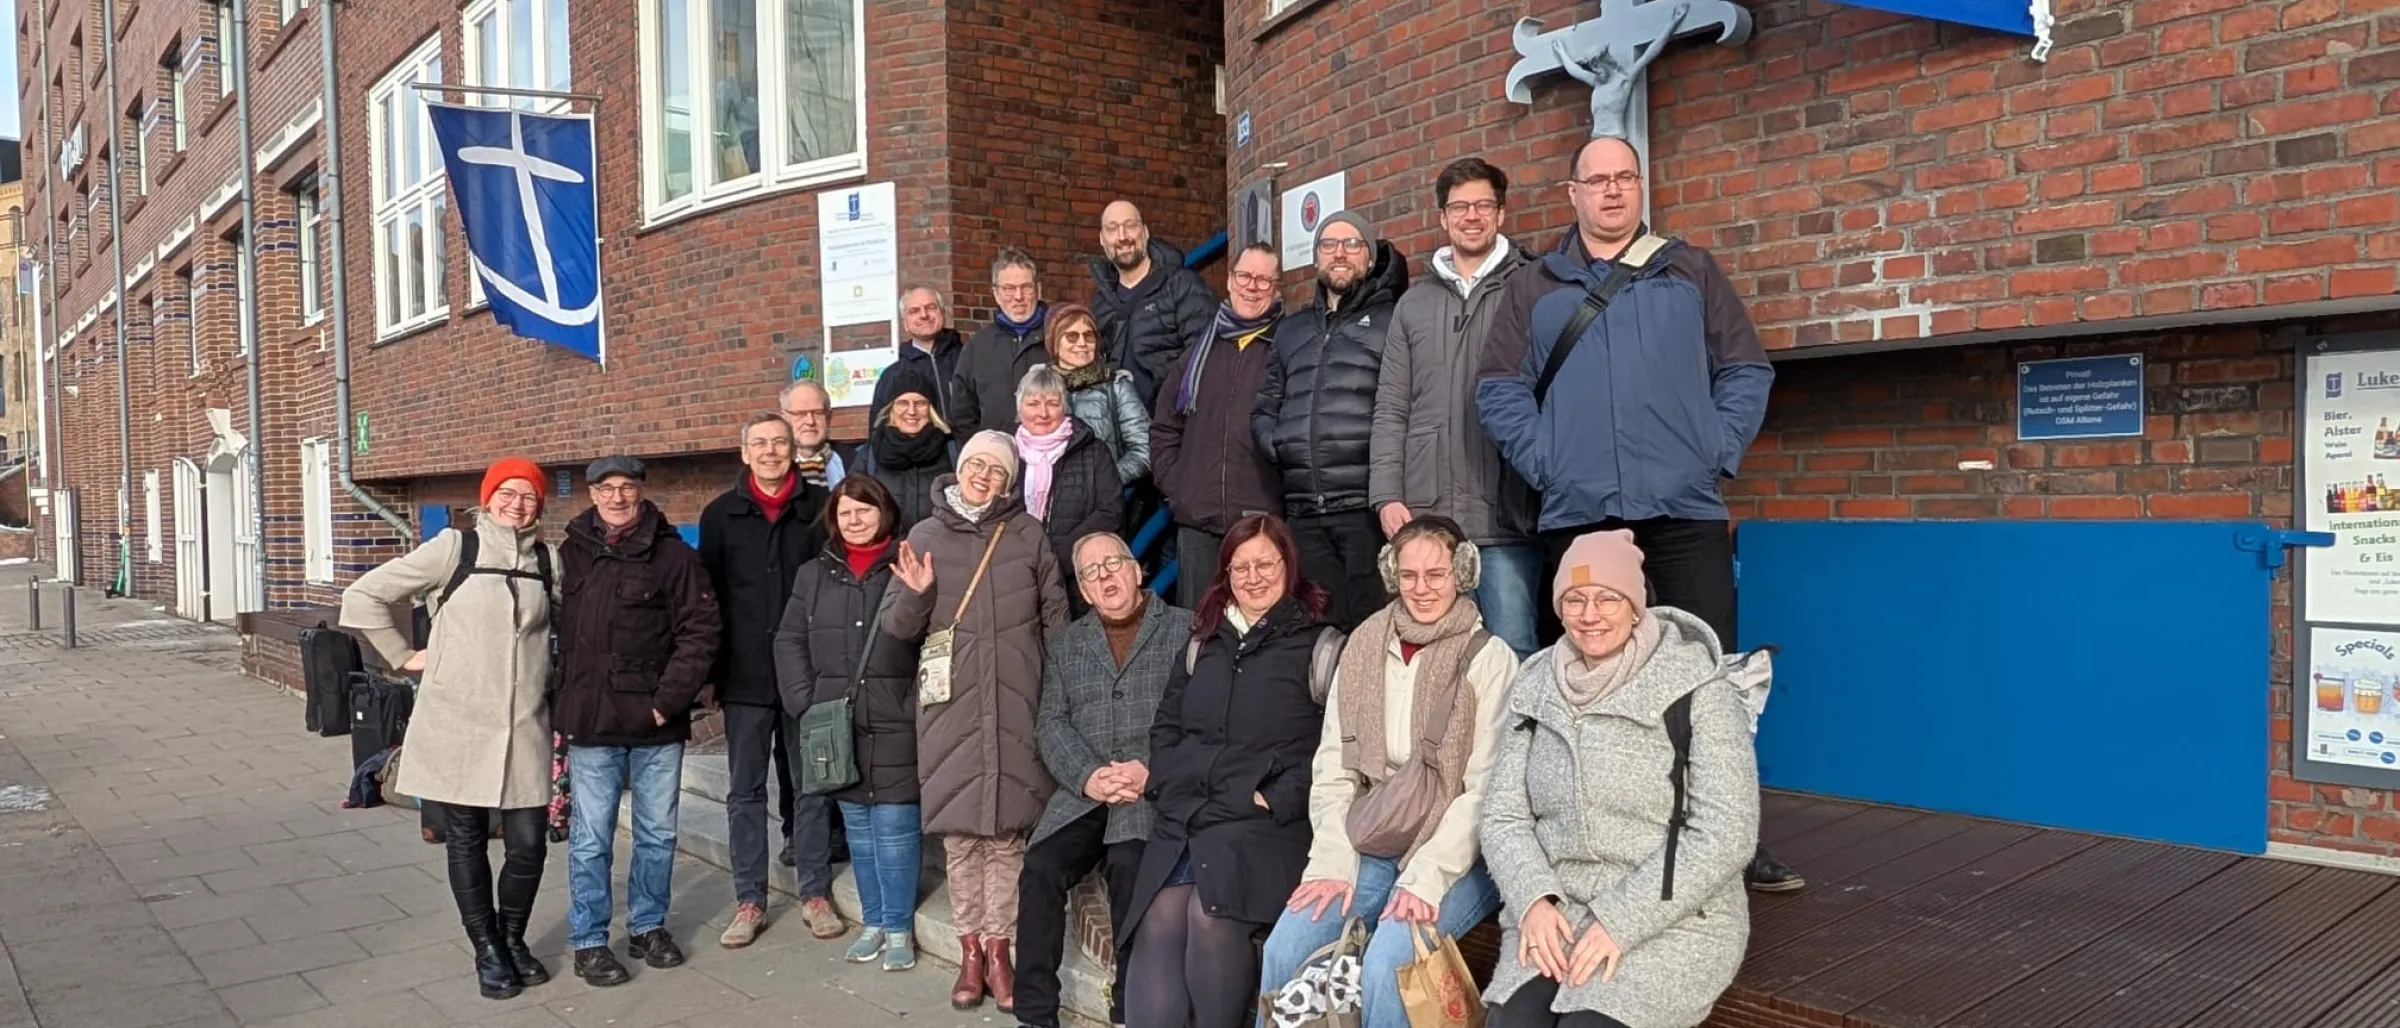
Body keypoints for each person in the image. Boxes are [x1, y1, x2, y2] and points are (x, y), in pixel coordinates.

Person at [1473, 135, 1791, 892]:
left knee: (1704, 679)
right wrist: (1549, 460)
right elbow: (1497, 388)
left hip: (1682, 510)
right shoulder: (1536, 286)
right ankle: (1594, 845)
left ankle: (1728, 841)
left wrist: (1713, 446)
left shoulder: (1690, 269)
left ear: (1640, 188)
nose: (1612, 191)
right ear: (1573, 193)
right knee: (1586, 677)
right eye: (1597, 180)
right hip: (1579, 513)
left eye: (1625, 178)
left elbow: (1746, 367)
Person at [1480, 530, 1759, 1028]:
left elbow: (1727, 831)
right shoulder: (1535, 683)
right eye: (1575, 599)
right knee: (1512, 1022)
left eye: (1608, 598)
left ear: (1636, 606)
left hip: (1671, 918)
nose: (1590, 615)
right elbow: (1504, 815)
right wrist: (1533, 900)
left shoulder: (1694, 684)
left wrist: (1622, 919)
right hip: (1559, 909)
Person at [1258, 515, 1519, 1028]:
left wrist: (1424, 879)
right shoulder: (1363, 645)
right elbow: (1334, 765)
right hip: (1375, 831)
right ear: (1391, 575)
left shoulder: (1491, 659)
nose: (1421, 589)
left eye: (1436, 574)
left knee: (1387, 962)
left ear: (1463, 572)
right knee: (1284, 946)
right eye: (1409, 575)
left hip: (1456, 851)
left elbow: (1483, 791)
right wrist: (1331, 861)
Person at [339, 457, 560, 1001]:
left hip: (525, 724)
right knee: (465, 840)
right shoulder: (453, 549)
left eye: (528, 496)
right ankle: (487, 948)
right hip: (458, 723)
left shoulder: (549, 561)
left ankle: (511, 937)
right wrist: (402, 655)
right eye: (507, 493)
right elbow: (362, 596)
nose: (517, 504)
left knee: (530, 844)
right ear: (487, 499)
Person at [880, 430, 1071, 1012]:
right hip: (952, 705)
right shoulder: (926, 535)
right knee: (963, 838)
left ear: (1009, 481)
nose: (984, 476)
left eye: (997, 469)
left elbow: (1055, 619)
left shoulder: (1027, 535)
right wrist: (916, 595)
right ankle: (969, 951)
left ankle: (999, 950)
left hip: (1017, 701)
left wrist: (1060, 695)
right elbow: (896, 628)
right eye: (976, 465)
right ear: (958, 469)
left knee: (1009, 836)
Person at [1120, 514, 1332, 1028]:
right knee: (1159, 918)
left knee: (1209, 918)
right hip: (1188, 812)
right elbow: (1166, 726)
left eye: (1265, 564)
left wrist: (1276, 797)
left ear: (1289, 567)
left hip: (1260, 823)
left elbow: (1336, 750)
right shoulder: (1203, 640)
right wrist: (1169, 781)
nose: (1253, 577)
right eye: (1240, 567)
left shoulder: (1319, 644)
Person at [553, 456, 722, 986]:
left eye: (628, 488)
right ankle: (590, 940)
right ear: (593, 494)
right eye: (607, 488)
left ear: (641, 493)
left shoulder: (674, 557)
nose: (618, 497)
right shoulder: (569, 553)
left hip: (654, 723)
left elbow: (701, 634)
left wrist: (665, 703)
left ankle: (648, 926)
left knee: (656, 834)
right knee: (590, 839)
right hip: (590, 721)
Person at [1015, 532, 1191, 1028]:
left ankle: (1127, 1010)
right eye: (1091, 573)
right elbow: (1050, 722)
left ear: (1137, 570)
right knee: (1041, 867)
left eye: (1113, 564)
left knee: (1130, 865)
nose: (1105, 576)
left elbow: (1201, 718)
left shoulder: (1184, 629)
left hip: (1147, 788)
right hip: (1086, 793)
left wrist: (1153, 769)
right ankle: (1034, 1013)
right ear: (1085, 592)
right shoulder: (1070, 642)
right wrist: (1088, 776)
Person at [1371, 158, 1543, 658]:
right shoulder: (1414, 304)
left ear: (1501, 214)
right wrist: (1386, 494)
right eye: (1459, 206)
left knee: (1513, 650)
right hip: (1428, 516)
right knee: (1431, 654)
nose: (1472, 216)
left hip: (1506, 511)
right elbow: (1391, 407)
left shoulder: (1531, 288)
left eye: (1483, 205)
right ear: (1443, 217)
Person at [774, 475, 926, 972]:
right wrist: (804, 701)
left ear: (885, 513)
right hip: (832, 722)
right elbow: (789, 639)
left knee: (897, 825)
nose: (855, 520)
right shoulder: (814, 573)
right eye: (845, 512)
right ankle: (875, 922)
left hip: (896, 715)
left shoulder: (908, 564)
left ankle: (900, 927)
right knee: (858, 827)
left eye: (865, 510)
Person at [699, 413, 834, 948]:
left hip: (808, 676)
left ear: (793, 450)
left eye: (780, 442)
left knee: (811, 787)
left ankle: (816, 891)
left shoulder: (820, 509)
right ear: (744, 452)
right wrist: (710, 675)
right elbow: (707, 601)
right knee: (745, 792)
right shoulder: (719, 515)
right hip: (745, 677)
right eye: (761, 443)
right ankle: (749, 898)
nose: (772, 452)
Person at [1254, 211, 1409, 633]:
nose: (1339, 253)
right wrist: (1281, 445)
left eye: (1352, 243)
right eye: (1328, 245)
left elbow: (1407, 404)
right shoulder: (1292, 330)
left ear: (1371, 256)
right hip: (1304, 510)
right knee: (1320, 631)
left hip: (1365, 510)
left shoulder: (1394, 319)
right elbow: (1266, 405)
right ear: (1316, 258)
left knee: (1375, 630)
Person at [1150, 243, 1286, 610]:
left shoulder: (1287, 348)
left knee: (1259, 629)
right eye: (1244, 276)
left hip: (1261, 524)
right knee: (1201, 630)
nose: (1251, 286)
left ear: (1275, 287)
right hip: (1199, 523)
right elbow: (1164, 427)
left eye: (1263, 279)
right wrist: (1180, 488)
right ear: (1229, 281)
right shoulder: (1197, 353)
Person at [1014, 364, 1124, 615]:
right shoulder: (1004, 453)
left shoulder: (1093, 451)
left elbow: (1110, 512)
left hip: (1077, 580)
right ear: (1019, 408)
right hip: (1015, 580)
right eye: (1033, 403)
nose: (1043, 412)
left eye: (1052, 403)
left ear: (1064, 406)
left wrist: (1055, 560)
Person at [1090, 200, 1219, 409]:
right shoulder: (1099, 303)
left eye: (1130, 225)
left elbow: (1205, 356)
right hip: (1120, 432)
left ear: (1145, 232)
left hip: (1171, 427)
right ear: (1102, 239)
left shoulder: (1182, 285)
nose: (1122, 237)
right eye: (1112, 229)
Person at [1045, 301, 1151, 485]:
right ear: (1054, 343)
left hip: (1103, 501)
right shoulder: (1038, 386)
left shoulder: (1116, 386)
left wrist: (1106, 482)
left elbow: (1144, 449)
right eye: (1071, 336)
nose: (1082, 343)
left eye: (1089, 336)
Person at [953, 248, 1053, 438]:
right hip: (996, 460)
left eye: (1026, 287)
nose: (1018, 297)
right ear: (996, 294)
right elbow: (963, 415)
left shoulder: (1058, 336)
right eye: (1009, 289)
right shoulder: (977, 347)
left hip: (1054, 456)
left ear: (1038, 290)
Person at [862, 380, 955, 532]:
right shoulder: (870, 454)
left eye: (920, 403)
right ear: (890, 408)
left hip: (940, 548)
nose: (912, 411)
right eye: (903, 403)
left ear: (931, 409)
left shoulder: (951, 449)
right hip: (888, 550)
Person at [872, 285, 966, 425]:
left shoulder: (970, 358)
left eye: (931, 307)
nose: (924, 315)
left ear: (942, 313)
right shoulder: (893, 376)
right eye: (914, 311)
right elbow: (878, 430)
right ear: (905, 324)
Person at [780, 379, 850, 488]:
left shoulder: (855, 462)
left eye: (818, 413)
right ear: (784, 418)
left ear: (829, 417)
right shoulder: (770, 464)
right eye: (800, 414)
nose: (810, 421)